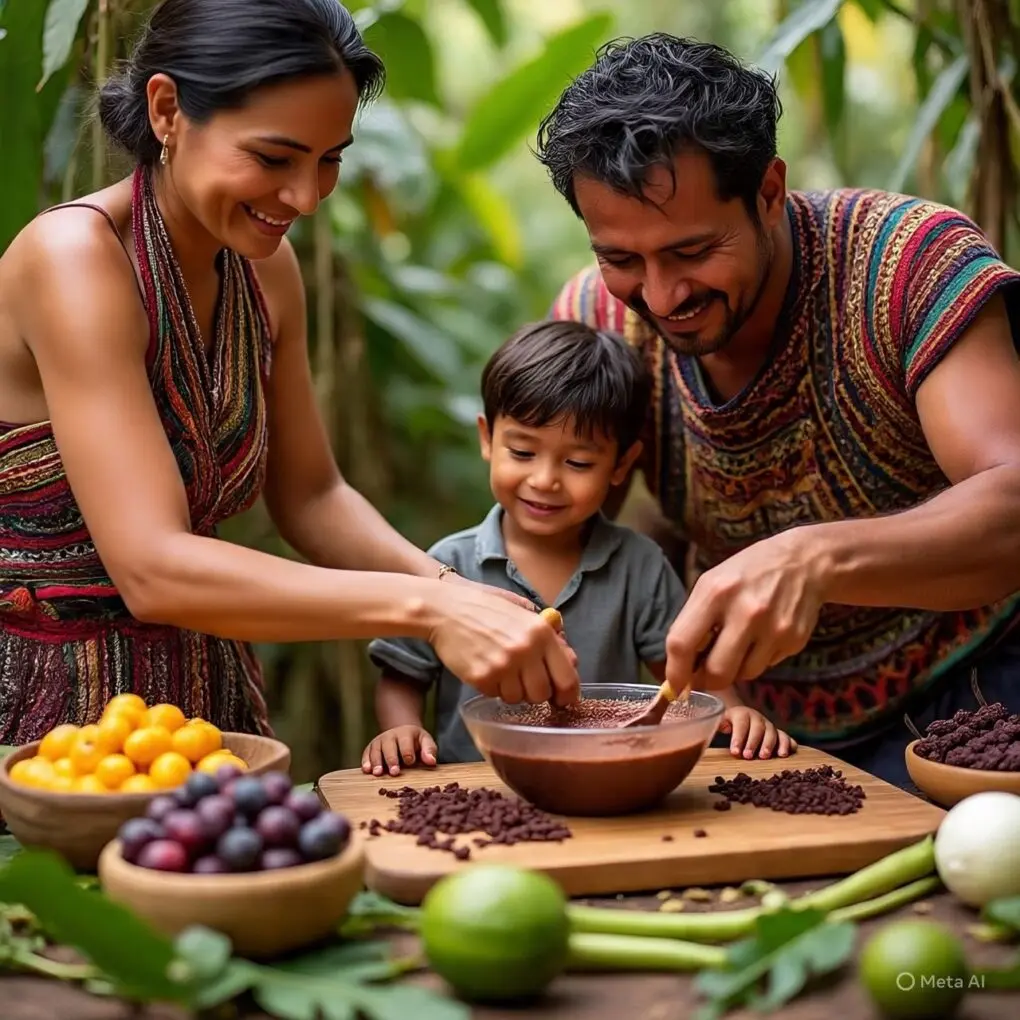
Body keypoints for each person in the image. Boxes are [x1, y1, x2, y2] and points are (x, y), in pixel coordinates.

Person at [0, 0, 579, 746]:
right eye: (275, 158)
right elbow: (152, 570)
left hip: (195, 715)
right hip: (48, 725)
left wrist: (458, 591)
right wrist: (429, 611)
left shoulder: (265, 270)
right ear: (167, 110)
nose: (305, 197)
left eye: (329, 159)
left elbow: (311, 496)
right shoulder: (74, 261)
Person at [535, 33, 1020, 788]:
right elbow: (577, 534)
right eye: (621, 259)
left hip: (981, 704)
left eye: (692, 251)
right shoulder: (597, 323)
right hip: (748, 731)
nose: (661, 296)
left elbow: (1012, 503)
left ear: (769, 192)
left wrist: (815, 559)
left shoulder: (909, 264)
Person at [361, 320, 797, 776]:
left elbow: (682, 672)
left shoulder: (639, 566)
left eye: (578, 462)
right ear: (488, 439)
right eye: (523, 453)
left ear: (621, 464)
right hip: (474, 786)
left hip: (605, 780)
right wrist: (401, 729)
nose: (545, 479)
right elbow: (403, 674)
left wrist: (732, 710)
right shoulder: (446, 567)